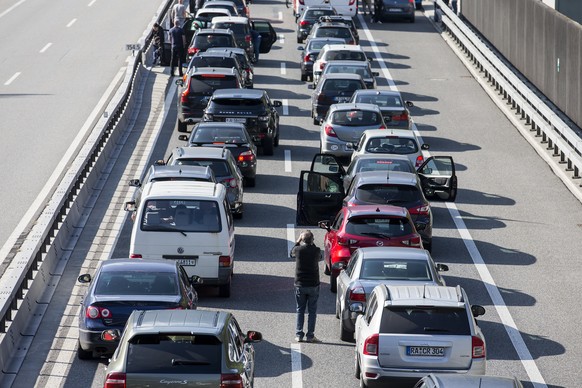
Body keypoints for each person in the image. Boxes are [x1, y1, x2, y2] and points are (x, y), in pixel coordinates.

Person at [290, 230, 321, 343]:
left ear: (302, 240)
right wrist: (312, 243)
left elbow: (291, 253)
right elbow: (320, 256)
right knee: (312, 311)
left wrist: (298, 241)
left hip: (300, 284)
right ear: (312, 240)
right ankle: (310, 335)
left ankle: (299, 334)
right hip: (313, 284)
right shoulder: (316, 250)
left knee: (300, 309)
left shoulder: (298, 250)